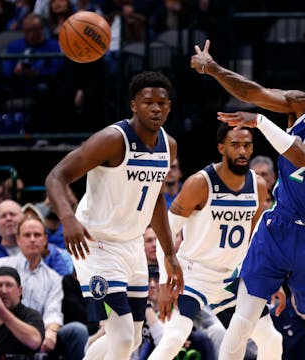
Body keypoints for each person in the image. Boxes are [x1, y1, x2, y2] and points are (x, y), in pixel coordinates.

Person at [190, 40, 305, 360]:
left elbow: (302, 154)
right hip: (277, 225)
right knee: (242, 321)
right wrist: (212, 67)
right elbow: (253, 92)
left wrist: (260, 122)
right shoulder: (301, 106)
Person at [45, 70, 184, 360]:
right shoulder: (112, 139)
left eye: (162, 102)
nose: (156, 108)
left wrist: (169, 254)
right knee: (120, 338)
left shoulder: (168, 146)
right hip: (96, 245)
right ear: (133, 105)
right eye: (148, 102)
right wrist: (68, 218)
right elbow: (56, 176)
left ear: (169, 106)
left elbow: (156, 199)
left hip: (132, 245)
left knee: (131, 340)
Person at [150, 122, 282, 360]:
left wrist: (270, 280)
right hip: (193, 275)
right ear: (221, 148)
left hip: (231, 278)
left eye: (247, 145)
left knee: (272, 340)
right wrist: (164, 281)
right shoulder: (200, 183)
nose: (242, 151)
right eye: (235, 145)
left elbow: (254, 241)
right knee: (174, 337)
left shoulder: (259, 187)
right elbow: (166, 232)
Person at [0, 216, 89, 359]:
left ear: (45, 239)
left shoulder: (54, 278)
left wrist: (51, 331)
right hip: (3, 329)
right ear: (18, 239)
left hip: (39, 335)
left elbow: (53, 312)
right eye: (27, 235)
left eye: (37, 235)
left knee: (77, 331)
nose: (32, 239)